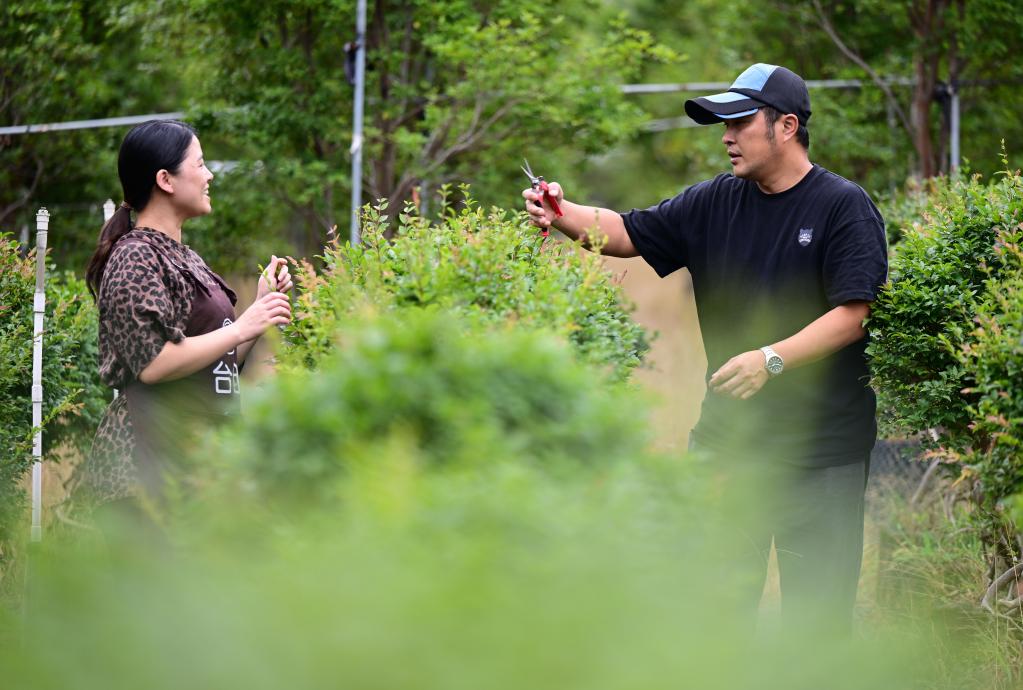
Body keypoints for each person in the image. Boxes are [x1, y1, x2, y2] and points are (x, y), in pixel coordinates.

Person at [523, 63, 888, 634]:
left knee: (817, 630)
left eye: (739, 122)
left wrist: (771, 358)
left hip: (824, 453)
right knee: (711, 617)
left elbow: (852, 313)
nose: (725, 136)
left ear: (787, 126)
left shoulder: (843, 207)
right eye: (723, 124)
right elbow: (624, 232)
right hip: (729, 449)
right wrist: (561, 212)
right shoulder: (715, 201)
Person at [75, 119, 293, 517]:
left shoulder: (185, 256)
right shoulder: (135, 255)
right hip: (144, 470)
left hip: (195, 463)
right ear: (166, 180)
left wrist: (257, 310)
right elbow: (155, 364)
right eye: (200, 164)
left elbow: (217, 359)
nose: (209, 175)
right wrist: (244, 326)